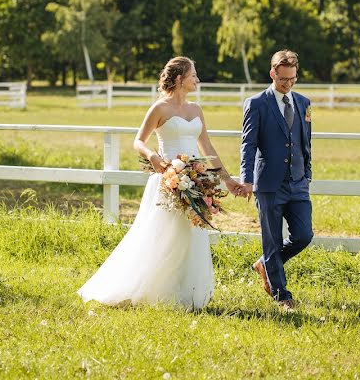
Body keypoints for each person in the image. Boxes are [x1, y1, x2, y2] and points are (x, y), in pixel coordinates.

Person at [78, 56, 241, 310]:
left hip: (193, 181)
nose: (197, 79)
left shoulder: (196, 110)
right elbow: (138, 141)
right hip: (167, 181)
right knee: (159, 238)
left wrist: (227, 179)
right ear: (179, 79)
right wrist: (153, 157)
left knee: (189, 237)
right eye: (193, 75)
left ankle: (187, 295)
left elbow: (206, 147)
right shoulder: (160, 108)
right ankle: (147, 289)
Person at [239, 50, 313, 312]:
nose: (288, 84)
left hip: (298, 182)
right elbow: (248, 144)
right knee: (271, 240)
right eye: (283, 79)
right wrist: (246, 179)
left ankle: (265, 264)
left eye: (293, 79)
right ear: (273, 74)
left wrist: (308, 174)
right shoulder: (257, 103)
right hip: (268, 184)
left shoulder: (304, 103)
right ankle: (282, 296)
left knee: (304, 235)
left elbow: (306, 142)